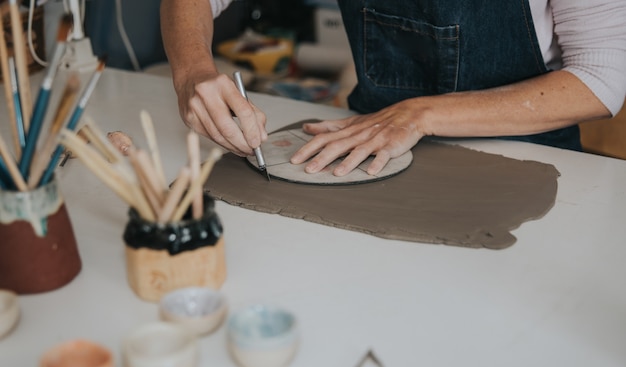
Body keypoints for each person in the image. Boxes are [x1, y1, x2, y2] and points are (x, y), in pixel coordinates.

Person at [160, 0, 626, 177]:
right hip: (365, 156)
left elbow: (602, 77)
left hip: (528, 159)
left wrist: (420, 115)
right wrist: (192, 72)